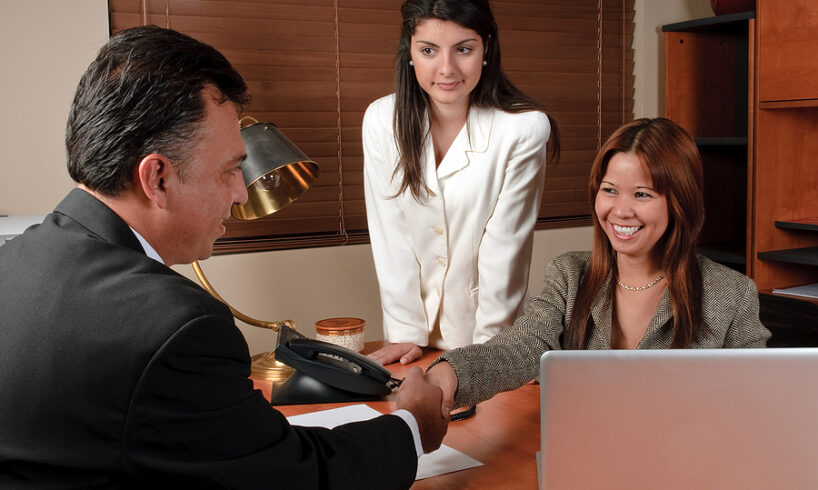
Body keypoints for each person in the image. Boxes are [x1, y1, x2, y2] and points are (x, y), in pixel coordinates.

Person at [0, 25, 448, 489]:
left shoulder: (13, 263)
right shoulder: (176, 328)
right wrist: (413, 425)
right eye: (231, 169)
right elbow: (294, 480)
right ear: (157, 178)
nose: (241, 193)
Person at [424, 117, 771, 410]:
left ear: (680, 201)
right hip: (585, 449)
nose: (621, 210)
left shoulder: (731, 294)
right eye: (609, 190)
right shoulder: (569, 276)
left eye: (642, 194)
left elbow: (759, 401)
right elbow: (521, 346)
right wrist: (448, 375)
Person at [364, 0, 559, 365]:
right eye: (428, 51)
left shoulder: (523, 128)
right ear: (409, 52)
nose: (446, 69)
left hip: (488, 338)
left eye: (464, 49)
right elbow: (390, 237)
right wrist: (405, 336)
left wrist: (486, 358)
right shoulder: (381, 120)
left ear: (486, 49)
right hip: (412, 339)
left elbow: (505, 251)